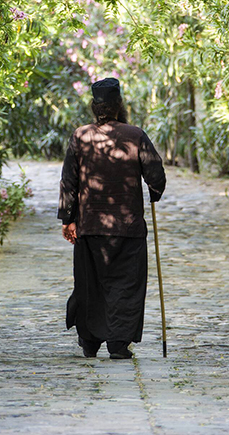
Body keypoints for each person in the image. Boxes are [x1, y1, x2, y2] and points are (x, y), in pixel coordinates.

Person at [58, 77, 166, 359]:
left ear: (94, 107)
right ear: (119, 105)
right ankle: (118, 343)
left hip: (90, 226)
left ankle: (90, 341)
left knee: (89, 283)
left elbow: (68, 181)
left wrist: (67, 219)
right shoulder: (136, 135)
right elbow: (155, 174)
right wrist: (155, 192)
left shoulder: (80, 136)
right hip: (128, 228)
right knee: (126, 284)